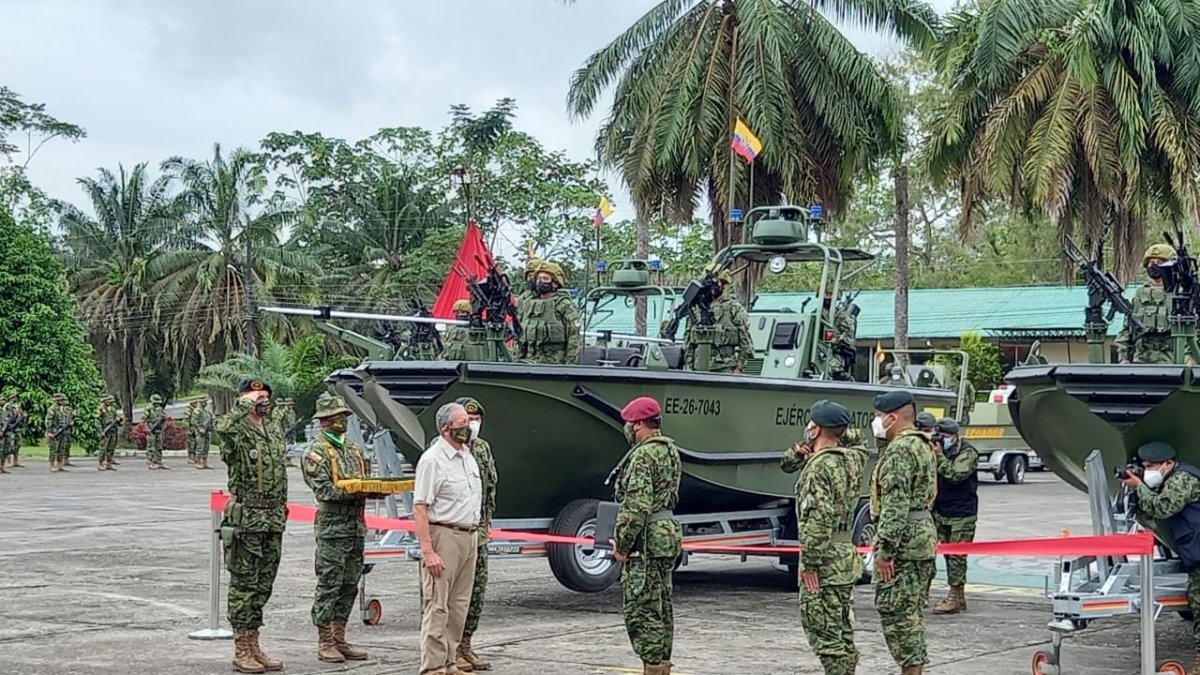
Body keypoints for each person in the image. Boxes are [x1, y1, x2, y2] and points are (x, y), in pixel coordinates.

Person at [788, 400, 869, 675]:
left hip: (824, 560)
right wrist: (837, 432)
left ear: (817, 428)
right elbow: (857, 439)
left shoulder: (818, 468)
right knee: (842, 631)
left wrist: (809, 563)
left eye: (812, 423)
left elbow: (818, 518)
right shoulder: (853, 459)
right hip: (844, 556)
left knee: (824, 633)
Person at [215, 377, 288, 674]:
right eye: (255, 395)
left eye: (265, 395)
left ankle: (255, 643)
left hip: (271, 519)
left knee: (262, 586)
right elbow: (222, 429)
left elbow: (279, 471)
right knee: (243, 586)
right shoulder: (237, 429)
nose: (262, 400)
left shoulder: (272, 428)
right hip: (247, 518)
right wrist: (242, 406)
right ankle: (241, 648)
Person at [610, 396, 682, 675]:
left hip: (647, 540)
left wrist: (623, 545)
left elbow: (636, 506)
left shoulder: (643, 454)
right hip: (666, 534)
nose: (627, 429)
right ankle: (662, 665)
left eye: (629, 424)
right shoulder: (670, 450)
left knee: (642, 609)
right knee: (662, 605)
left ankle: (652, 668)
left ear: (638, 424)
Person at [301, 393, 373, 664]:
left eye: (344, 416)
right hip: (333, 527)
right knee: (329, 584)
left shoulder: (353, 450)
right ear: (325, 421)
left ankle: (340, 636)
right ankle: (325, 640)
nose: (342, 420)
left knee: (350, 583)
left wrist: (372, 490)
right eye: (337, 417)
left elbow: (364, 479)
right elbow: (325, 489)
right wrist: (357, 491)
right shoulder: (315, 452)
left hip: (355, 525)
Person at [870, 390, 938, 675]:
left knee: (899, 616)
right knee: (911, 614)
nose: (875, 422)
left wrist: (885, 551)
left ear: (892, 418)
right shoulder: (921, 444)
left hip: (903, 542)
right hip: (921, 537)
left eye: (878, 417)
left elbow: (895, 506)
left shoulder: (900, 450)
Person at [413, 402, 482, 675]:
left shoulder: (467, 455)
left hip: (469, 535)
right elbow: (420, 507)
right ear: (446, 429)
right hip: (444, 534)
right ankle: (432, 667)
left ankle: (450, 662)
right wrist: (428, 551)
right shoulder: (433, 460)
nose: (469, 427)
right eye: (463, 423)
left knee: (458, 606)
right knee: (438, 605)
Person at [1121, 441, 1200, 672]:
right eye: (1144, 466)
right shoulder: (1171, 477)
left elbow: (1162, 507)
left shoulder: (1183, 479)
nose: (1148, 470)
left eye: (1151, 466)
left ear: (1169, 463)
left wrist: (1138, 486)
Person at [456, 396, 498, 672]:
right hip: (454, 532)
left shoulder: (482, 448)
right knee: (453, 596)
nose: (473, 424)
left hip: (479, 531)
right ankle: (450, 649)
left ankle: (466, 645)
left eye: (476, 419)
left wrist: (487, 523)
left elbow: (490, 487)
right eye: (468, 419)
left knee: (476, 593)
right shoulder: (443, 449)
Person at [1117, 244, 1197, 365]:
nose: (1154, 266)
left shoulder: (1182, 294)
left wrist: (1191, 358)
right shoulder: (1139, 295)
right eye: (1151, 262)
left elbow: (1193, 330)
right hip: (1141, 360)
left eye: (1159, 262)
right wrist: (1124, 357)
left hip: (1173, 361)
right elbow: (1127, 329)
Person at [931, 418, 979, 615]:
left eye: (944, 437)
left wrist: (940, 456)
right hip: (941, 509)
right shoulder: (937, 450)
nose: (941, 440)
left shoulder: (967, 453)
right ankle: (958, 597)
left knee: (957, 555)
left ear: (954, 436)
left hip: (962, 512)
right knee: (939, 553)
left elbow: (954, 474)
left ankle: (954, 596)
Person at [683, 265, 753, 374]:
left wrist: (739, 368)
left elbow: (746, 343)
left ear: (723, 285)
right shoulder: (697, 309)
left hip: (725, 368)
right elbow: (688, 344)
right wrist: (688, 368)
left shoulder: (733, 308)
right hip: (698, 369)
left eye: (719, 283)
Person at [516, 260, 581, 364]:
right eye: (539, 278)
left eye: (545, 279)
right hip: (529, 360)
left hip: (554, 362)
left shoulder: (563, 304)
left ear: (555, 283)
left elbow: (573, 337)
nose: (540, 282)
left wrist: (569, 364)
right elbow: (521, 336)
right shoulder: (529, 304)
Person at [822, 288, 857, 381]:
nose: (827, 297)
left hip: (835, 351)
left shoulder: (842, 315)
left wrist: (836, 340)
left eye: (830, 294)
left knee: (833, 369)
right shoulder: (817, 314)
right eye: (825, 294)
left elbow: (849, 336)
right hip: (820, 349)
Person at [45, 393, 75, 473]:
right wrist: (49, 432)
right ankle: (52, 465)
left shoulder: (66, 409)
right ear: (58, 401)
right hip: (55, 432)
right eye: (63, 400)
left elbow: (69, 418)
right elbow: (48, 421)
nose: (64, 401)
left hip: (64, 431)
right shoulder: (52, 409)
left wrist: (71, 422)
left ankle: (60, 465)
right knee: (54, 449)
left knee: (62, 449)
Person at [96, 394, 122, 471]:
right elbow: (97, 421)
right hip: (105, 429)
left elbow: (116, 418)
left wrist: (119, 420)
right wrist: (100, 430)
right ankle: (101, 463)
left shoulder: (113, 409)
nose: (111, 402)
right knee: (103, 447)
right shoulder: (100, 409)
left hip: (113, 430)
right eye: (109, 401)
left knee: (111, 447)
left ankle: (109, 463)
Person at [143, 394, 168, 470]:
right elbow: (144, 420)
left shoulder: (160, 409)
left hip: (159, 430)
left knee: (159, 446)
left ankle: (158, 461)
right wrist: (147, 428)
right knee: (151, 447)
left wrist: (163, 425)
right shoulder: (149, 409)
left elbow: (164, 418)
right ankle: (151, 462)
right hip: (151, 430)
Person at [191, 399, 214, 470]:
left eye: (205, 402)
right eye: (204, 402)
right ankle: (198, 462)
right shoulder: (197, 410)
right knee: (200, 447)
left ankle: (205, 462)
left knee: (206, 447)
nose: (205, 403)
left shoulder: (205, 411)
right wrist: (199, 428)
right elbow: (193, 421)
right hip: (200, 432)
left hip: (207, 431)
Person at [274, 398, 298, 468]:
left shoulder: (292, 412)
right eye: (290, 404)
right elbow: (278, 422)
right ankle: (284, 461)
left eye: (292, 404)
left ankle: (289, 460)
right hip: (284, 430)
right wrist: (280, 431)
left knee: (291, 446)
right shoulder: (283, 412)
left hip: (292, 431)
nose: (291, 406)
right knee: (284, 446)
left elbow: (293, 420)